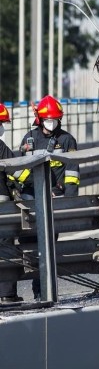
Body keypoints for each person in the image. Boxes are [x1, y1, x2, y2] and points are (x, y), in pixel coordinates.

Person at [12, 95, 80, 301]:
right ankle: (27, 289)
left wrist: (69, 203)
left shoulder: (67, 140)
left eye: (56, 119)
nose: (53, 123)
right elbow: (20, 171)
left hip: (55, 200)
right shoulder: (29, 139)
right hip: (30, 198)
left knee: (48, 247)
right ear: (40, 119)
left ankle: (44, 292)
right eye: (49, 119)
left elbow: (72, 174)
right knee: (29, 247)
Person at [0, 102, 23, 304]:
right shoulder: (0, 147)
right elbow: (18, 171)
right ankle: (7, 295)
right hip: (2, 206)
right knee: (6, 246)